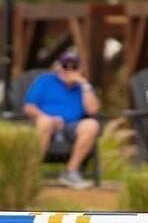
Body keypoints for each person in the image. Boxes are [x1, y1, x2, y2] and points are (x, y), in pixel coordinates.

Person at [22, 49, 101, 189]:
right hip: (46, 124)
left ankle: (70, 172)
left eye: (74, 67)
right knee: (44, 123)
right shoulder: (45, 81)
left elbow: (93, 110)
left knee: (92, 125)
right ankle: (31, 172)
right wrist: (46, 117)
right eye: (66, 66)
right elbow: (28, 107)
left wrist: (85, 84)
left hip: (72, 126)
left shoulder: (83, 87)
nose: (69, 70)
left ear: (80, 69)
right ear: (59, 66)